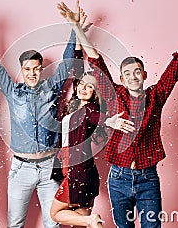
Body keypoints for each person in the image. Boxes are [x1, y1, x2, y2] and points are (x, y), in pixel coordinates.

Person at [57, 1, 178, 228]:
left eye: (137, 72)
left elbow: (176, 64)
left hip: (148, 179)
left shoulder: (156, 97)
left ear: (144, 75)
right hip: (118, 179)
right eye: (127, 73)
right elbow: (95, 61)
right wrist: (78, 29)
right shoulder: (114, 95)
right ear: (121, 79)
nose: (132, 76)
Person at [0, 2, 87, 227]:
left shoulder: (52, 87)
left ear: (41, 69)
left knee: (53, 223)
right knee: (15, 223)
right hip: (22, 168)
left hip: (49, 167)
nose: (32, 73)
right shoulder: (13, 91)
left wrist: (75, 26)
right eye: (27, 69)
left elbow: (68, 61)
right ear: (22, 70)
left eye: (36, 68)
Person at [50, 72, 135, 228]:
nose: (84, 87)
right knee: (79, 225)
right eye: (82, 83)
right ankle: (90, 222)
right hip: (84, 173)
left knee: (55, 214)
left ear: (95, 93)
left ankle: (91, 221)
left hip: (77, 173)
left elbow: (97, 117)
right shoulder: (75, 108)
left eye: (90, 86)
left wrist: (109, 121)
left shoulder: (89, 109)